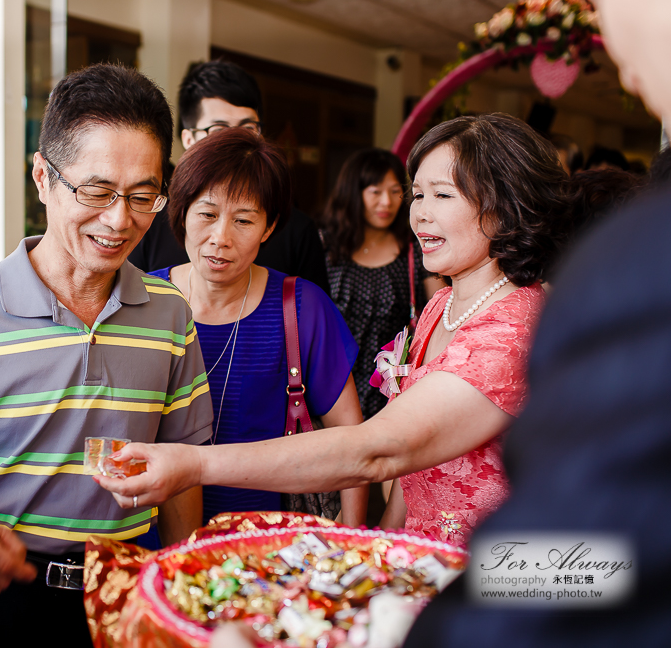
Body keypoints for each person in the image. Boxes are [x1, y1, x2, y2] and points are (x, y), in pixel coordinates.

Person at [97, 113, 566, 549]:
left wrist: (194, 464)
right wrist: (382, 546)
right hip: (419, 563)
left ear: (506, 207)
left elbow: (379, 450)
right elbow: (411, 467)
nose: (419, 213)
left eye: (442, 195)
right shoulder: (443, 306)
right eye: (418, 194)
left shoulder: (514, 330)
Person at [0, 63, 213, 648]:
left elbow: (180, 470)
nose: (119, 220)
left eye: (142, 195)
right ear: (43, 178)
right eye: (97, 191)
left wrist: (183, 596)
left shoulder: (169, 314)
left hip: (124, 593)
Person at [402, 0, 671, 644]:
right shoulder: (437, 309)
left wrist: (451, 611)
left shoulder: (611, 280)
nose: (608, 29)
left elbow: (598, 560)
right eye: (418, 193)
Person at [151, 128, 366, 528]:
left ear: (268, 229)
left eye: (244, 220)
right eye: (207, 214)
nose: (221, 238)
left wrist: (351, 541)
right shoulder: (142, 302)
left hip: (267, 546)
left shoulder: (301, 308)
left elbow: (352, 441)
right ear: (181, 213)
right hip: (153, 542)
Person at [128, 59, 331, 295]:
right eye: (220, 130)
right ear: (189, 140)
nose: (235, 142)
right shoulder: (147, 219)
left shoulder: (296, 230)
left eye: (247, 128)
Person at [321, 148, 445, 422]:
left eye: (394, 191)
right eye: (375, 191)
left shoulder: (415, 250)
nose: (386, 202)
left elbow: (441, 312)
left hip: (392, 393)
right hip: (329, 391)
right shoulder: (325, 248)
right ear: (353, 193)